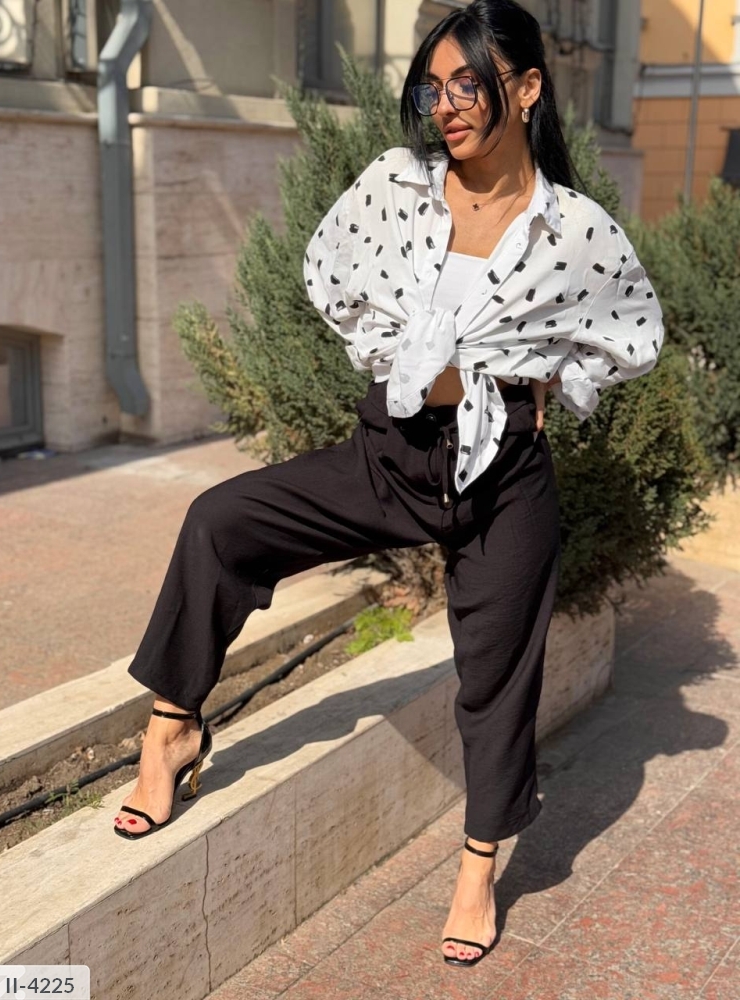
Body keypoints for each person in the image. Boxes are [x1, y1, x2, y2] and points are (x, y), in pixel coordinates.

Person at [114, 0, 664, 971]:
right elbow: (327, 274)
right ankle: (172, 728)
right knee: (221, 521)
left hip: (504, 476)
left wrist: (550, 376)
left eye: (468, 84)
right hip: (391, 451)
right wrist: (406, 355)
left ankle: (477, 870)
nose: (445, 105)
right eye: (432, 88)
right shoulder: (399, 186)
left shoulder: (573, 229)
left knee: (497, 677)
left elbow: (634, 333)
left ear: (527, 89)